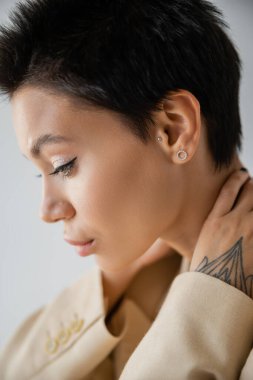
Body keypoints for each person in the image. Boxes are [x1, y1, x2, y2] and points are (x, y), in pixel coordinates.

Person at [0, 0, 252, 378]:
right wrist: (120, 280)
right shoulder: (143, 290)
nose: (48, 210)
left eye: (62, 164)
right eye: (42, 174)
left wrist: (207, 305)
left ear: (173, 129)